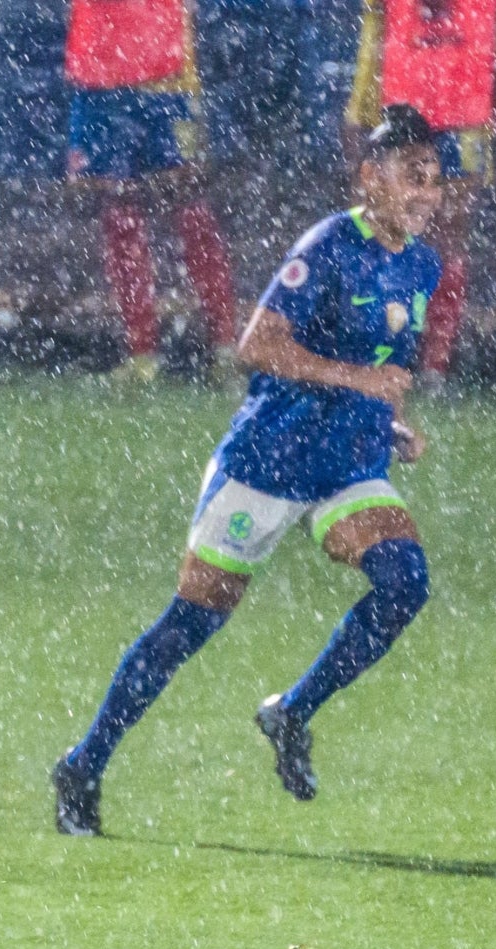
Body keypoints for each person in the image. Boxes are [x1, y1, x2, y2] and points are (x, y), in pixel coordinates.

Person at [52, 105, 443, 836]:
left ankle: (292, 710)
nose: (427, 191)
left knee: (404, 582)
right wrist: (357, 383)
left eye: (435, 178)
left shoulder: (423, 264)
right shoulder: (328, 247)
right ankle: (84, 761)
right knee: (190, 623)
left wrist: (388, 424)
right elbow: (256, 347)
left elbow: (380, 370)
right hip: (271, 457)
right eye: (411, 175)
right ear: (369, 177)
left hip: (346, 464)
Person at [343, 0, 496, 386]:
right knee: (381, 231)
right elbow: (374, 35)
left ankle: (432, 363)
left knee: (448, 234)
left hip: (464, 115)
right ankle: (375, 349)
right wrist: (358, 113)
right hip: (398, 115)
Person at [64, 0, 238, 380]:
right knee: (120, 212)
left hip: (161, 62)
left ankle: (223, 348)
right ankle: (144, 354)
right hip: (104, 62)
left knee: (188, 207)